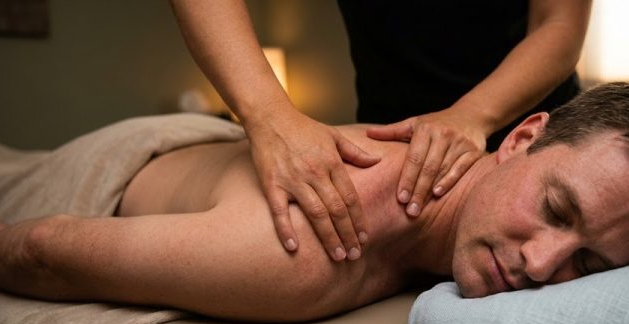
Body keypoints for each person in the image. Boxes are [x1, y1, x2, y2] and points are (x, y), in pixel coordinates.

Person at [0, 83, 629, 323]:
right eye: (559, 211)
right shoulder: (308, 245)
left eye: (588, 262)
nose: (540, 263)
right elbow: (41, 249)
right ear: (522, 136)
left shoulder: (472, 225)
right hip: (115, 161)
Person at [168, 0, 592, 262]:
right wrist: (269, 118)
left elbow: (559, 21)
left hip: (536, 146)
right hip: (392, 137)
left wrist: (472, 116)